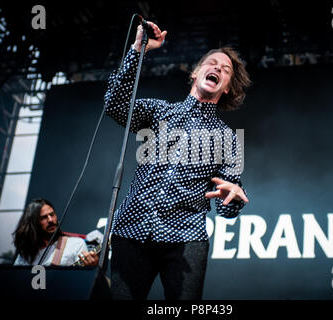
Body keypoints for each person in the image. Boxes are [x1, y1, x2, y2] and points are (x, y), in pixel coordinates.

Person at [104, 21, 250, 300]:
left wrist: (235, 197)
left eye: (226, 69)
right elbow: (115, 104)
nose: (218, 68)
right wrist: (138, 49)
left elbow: (226, 209)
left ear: (228, 88)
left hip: (186, 239)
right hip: (132, 230)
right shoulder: (160, 112)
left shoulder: (227, 138)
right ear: (196, 74)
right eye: (212, 63)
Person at [13, 198, 99, 266]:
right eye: (43, 217)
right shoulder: (24, 255)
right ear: (33, 223)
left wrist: (91, 267)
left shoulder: (76, 244)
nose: (50, 220)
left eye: (52, 214)